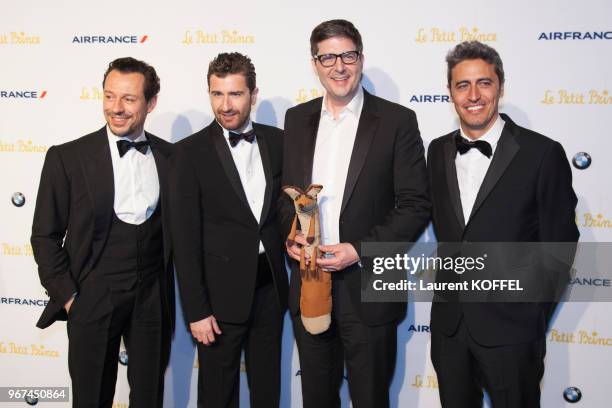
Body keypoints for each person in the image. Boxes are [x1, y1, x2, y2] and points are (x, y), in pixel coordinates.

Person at [279, 19, 430, 408]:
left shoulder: (397, 121)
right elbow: (286, 198)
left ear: (361, 59)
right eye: (327, 57)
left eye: (347, 55)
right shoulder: (296, 120)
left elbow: (415, 206)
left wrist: (359, 249)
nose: (339, 66)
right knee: (316, 397)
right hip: (310, 284)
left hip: (371, 285)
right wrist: (290, 235)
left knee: (370, 398)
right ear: (315, 64)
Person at [427, 41, 579, 407]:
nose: (473, 95)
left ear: (500, 87)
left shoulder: (542, 153)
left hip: (513, 331)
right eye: (462, 85)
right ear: (450, 92)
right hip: (450, 328)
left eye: (484, 83)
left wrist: (527, 312)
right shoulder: (436, 151)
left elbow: (560, 246)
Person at [31, 57, 175, 408]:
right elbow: (44, 236)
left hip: (152, 297)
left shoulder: (172, 158)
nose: (116, 108)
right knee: (91, 398)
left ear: (150, 102)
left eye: (128, 99)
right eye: (110, 97)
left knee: (149, 397)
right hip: (92, 295)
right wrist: (70, 298)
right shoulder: (68, 158)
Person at [170, 52, 288, 408]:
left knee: (267, 390)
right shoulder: (188, 154)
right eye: (217, 94)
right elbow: (184, 240)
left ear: (253, 95)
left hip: (270, 289)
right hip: (217, 302)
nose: (225, 105)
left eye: (235, 94)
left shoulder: (280, 142)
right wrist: (196, 310)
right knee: (217, 395)